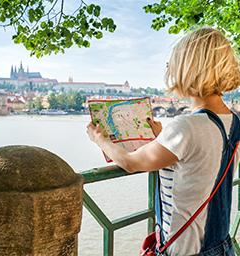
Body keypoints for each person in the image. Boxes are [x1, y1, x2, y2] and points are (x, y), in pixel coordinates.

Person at [86, 27, 240, 255]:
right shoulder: (235, 120)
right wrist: (162, 138)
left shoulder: (186, 126)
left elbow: (130, 162)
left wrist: (100, 140)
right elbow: (202, 157)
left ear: (187, 68)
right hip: (223, 246)